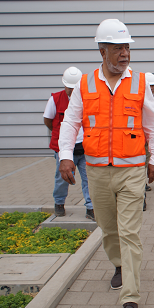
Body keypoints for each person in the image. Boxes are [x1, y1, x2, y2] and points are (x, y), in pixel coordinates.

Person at [58, 19, 154, 308]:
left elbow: (153, 126)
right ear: (102, 51)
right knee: (108, 228)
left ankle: (130, 298)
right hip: (96, 170)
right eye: (118, 48)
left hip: (132, 171)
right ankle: (118, 264)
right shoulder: (85, 83)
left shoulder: (140, 82)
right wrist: (66, 154)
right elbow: (70, 121)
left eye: (127, 47)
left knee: (130, 231)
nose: (124, 54)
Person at [42, 67, 94, 221]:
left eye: (75, 88)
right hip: (64, 150)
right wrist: (60, 136)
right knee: (61, 179)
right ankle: (59, 203)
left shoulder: (87, 99)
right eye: (69, 88)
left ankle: (91, 207)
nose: (72, 91)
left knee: (88, 179)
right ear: (64, 84)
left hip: (84, 148)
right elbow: (48, 120)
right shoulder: (55, 99)